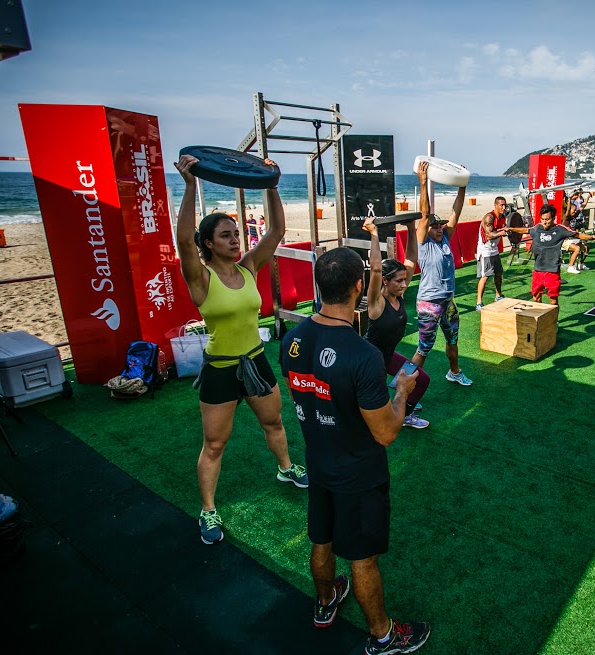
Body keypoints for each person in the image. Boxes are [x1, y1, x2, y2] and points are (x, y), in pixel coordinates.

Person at [279, 247, 430, 655]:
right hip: (358, 473)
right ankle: (383, 635)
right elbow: (385, 433)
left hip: (319, 463)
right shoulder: (361, 355)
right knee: (362, 559)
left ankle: (326, 601)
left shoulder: (291, 339)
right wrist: (400, 392)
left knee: (322, 540)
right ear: (359, 287)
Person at [174, 155, 307, 546]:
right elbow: (183, 240)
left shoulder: (249, 267)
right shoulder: (200, 276)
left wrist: (272, 183)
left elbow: (277, 230)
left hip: (255, 360)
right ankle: (209, 509)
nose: (236, 239)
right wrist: (188, 186)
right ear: (208, 244)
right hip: (220, 367)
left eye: (236, 233)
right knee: (214, 444)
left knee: (275, 424)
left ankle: (286, 468)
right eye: (226, 235)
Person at [361, 162, 431, 429]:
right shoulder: (377, 302)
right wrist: (375, 234)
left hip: (388, 355)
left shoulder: (398, 293)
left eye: (405, 281)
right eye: (399, 281)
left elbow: (411, 260)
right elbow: (377, 268)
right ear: (386, 282)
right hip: (370, 359)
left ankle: (406, 415)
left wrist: (412, 230)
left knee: (421, 380)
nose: (404, 285)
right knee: (370, 412)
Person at [411, 174, 471, 386]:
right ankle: (406, 389)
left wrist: (462, 186)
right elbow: (425, 214)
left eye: (440, 226)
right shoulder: (423, 243)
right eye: (435, 226)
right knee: (423, 348)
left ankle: (454, 372)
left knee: (452, 339)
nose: (439, 229)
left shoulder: (445, 238)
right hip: (429, 303)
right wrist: (423, 181)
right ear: (426, 228)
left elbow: (456, 213)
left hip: (448, 301)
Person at [506, 204, 595, 305]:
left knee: (553, 300)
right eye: (542, 219)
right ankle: (541, 318)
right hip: (538, 270)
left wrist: (592, 237)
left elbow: (578, 235)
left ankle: (553, 321)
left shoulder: (560, 230)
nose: (545, 222)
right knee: (536, 297)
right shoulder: (537, 228)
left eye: (547, 219)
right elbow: (525, 230)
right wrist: (511, 229)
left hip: (552, 271)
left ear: (553, 218)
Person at [476, 196, 509, 310]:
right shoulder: (489, 217)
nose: (504, 208)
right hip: (485, 250)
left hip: (494, 250)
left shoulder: (503, 217)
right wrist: (501, 233)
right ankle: (479, 303)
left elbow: (502, 230)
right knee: (485, 276)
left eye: (505, 205)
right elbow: (489, 235)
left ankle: (498, 295)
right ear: (495, 206)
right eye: (501, 205)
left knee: (499, 273)